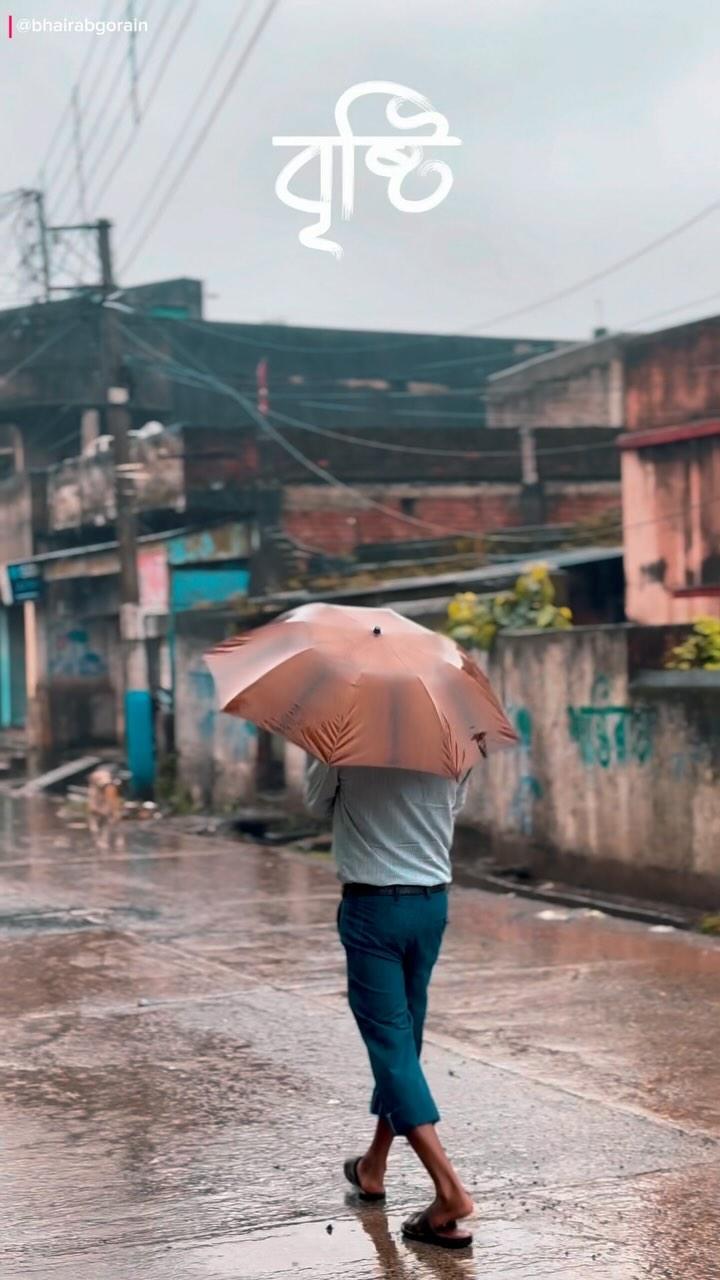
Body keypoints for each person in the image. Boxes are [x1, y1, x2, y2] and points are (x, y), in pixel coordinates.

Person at [304, 758, 475, 1251]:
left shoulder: (342, 738)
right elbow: (452, 805)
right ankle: (373, 1167)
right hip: (430, 907)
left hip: (373, 909)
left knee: (392, 1047)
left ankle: (450, 1193)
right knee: (403, 1044)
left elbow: (316, 801)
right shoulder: (450, 736)